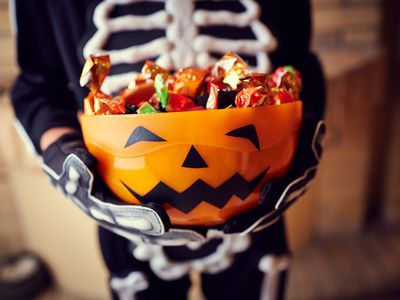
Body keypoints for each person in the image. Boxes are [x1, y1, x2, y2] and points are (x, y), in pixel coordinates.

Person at [11, 0, 325, 299]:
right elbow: (38, 88)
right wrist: (68, 161)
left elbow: (301, 65)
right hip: (127, 214)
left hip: (258, 198)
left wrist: (301, 142)